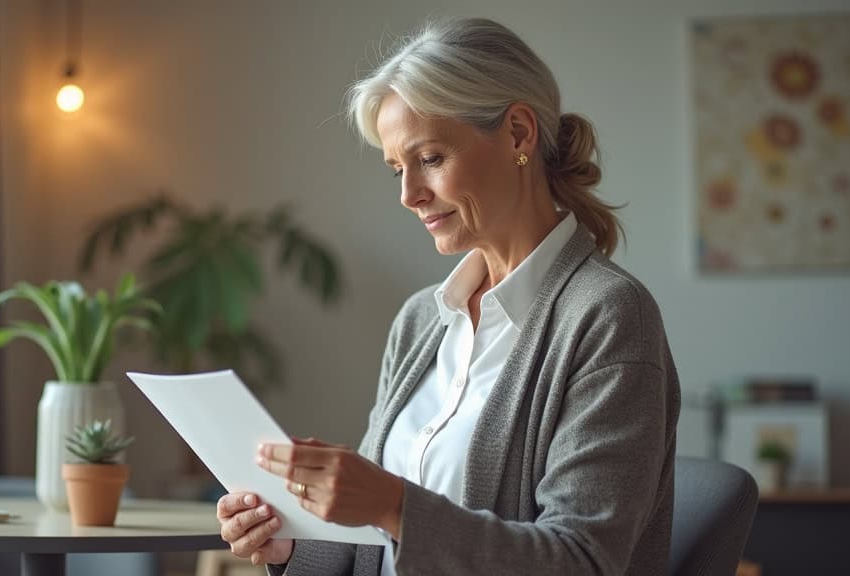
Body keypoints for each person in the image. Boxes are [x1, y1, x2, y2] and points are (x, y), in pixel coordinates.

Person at [216, 17, 680, 576]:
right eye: (397, 170)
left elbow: (582, 561)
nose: (410, 195)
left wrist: (391, 503)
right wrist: (292, 546)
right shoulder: (420, 322)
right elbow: (376, 545)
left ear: (517, 134)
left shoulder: (608, 316)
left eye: (431, 159)